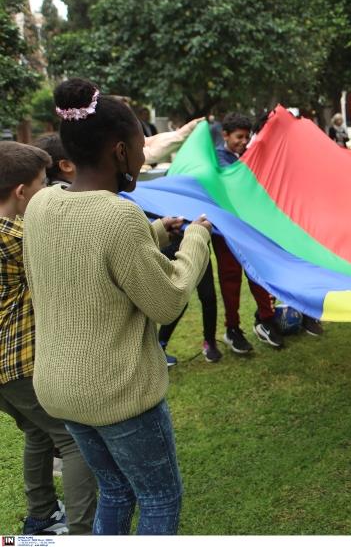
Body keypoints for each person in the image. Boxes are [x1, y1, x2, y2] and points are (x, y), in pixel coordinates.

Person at [22, 78, 212, 534]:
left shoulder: (42, 203)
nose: (144, 155)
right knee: (159, 496)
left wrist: (160, 231)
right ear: (119, 152)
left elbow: (91, 251)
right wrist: (195, 241)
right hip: (116, 394)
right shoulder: (119, 215)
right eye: (139, 145)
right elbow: (167, 301)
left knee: (115, 490)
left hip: (60, 390)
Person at [1, 141, 97, 535]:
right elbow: (77, 252)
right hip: (21, 361)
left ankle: (41, 514)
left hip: (5, 376)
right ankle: (83, 532)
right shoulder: (18, 235)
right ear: (22, 191)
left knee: (40, 432)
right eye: (43, 184)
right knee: (74, 440)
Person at [214, 113, 290, 351]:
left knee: (259, 274)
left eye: (247, 137)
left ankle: (267, 320)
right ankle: (232, 329)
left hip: (250, 228)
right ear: (225, 135)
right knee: (230, 279)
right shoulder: (216, 158)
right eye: (238, 137)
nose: (243, 141)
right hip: (225, 229)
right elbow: (234, 184)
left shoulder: (248, 154)